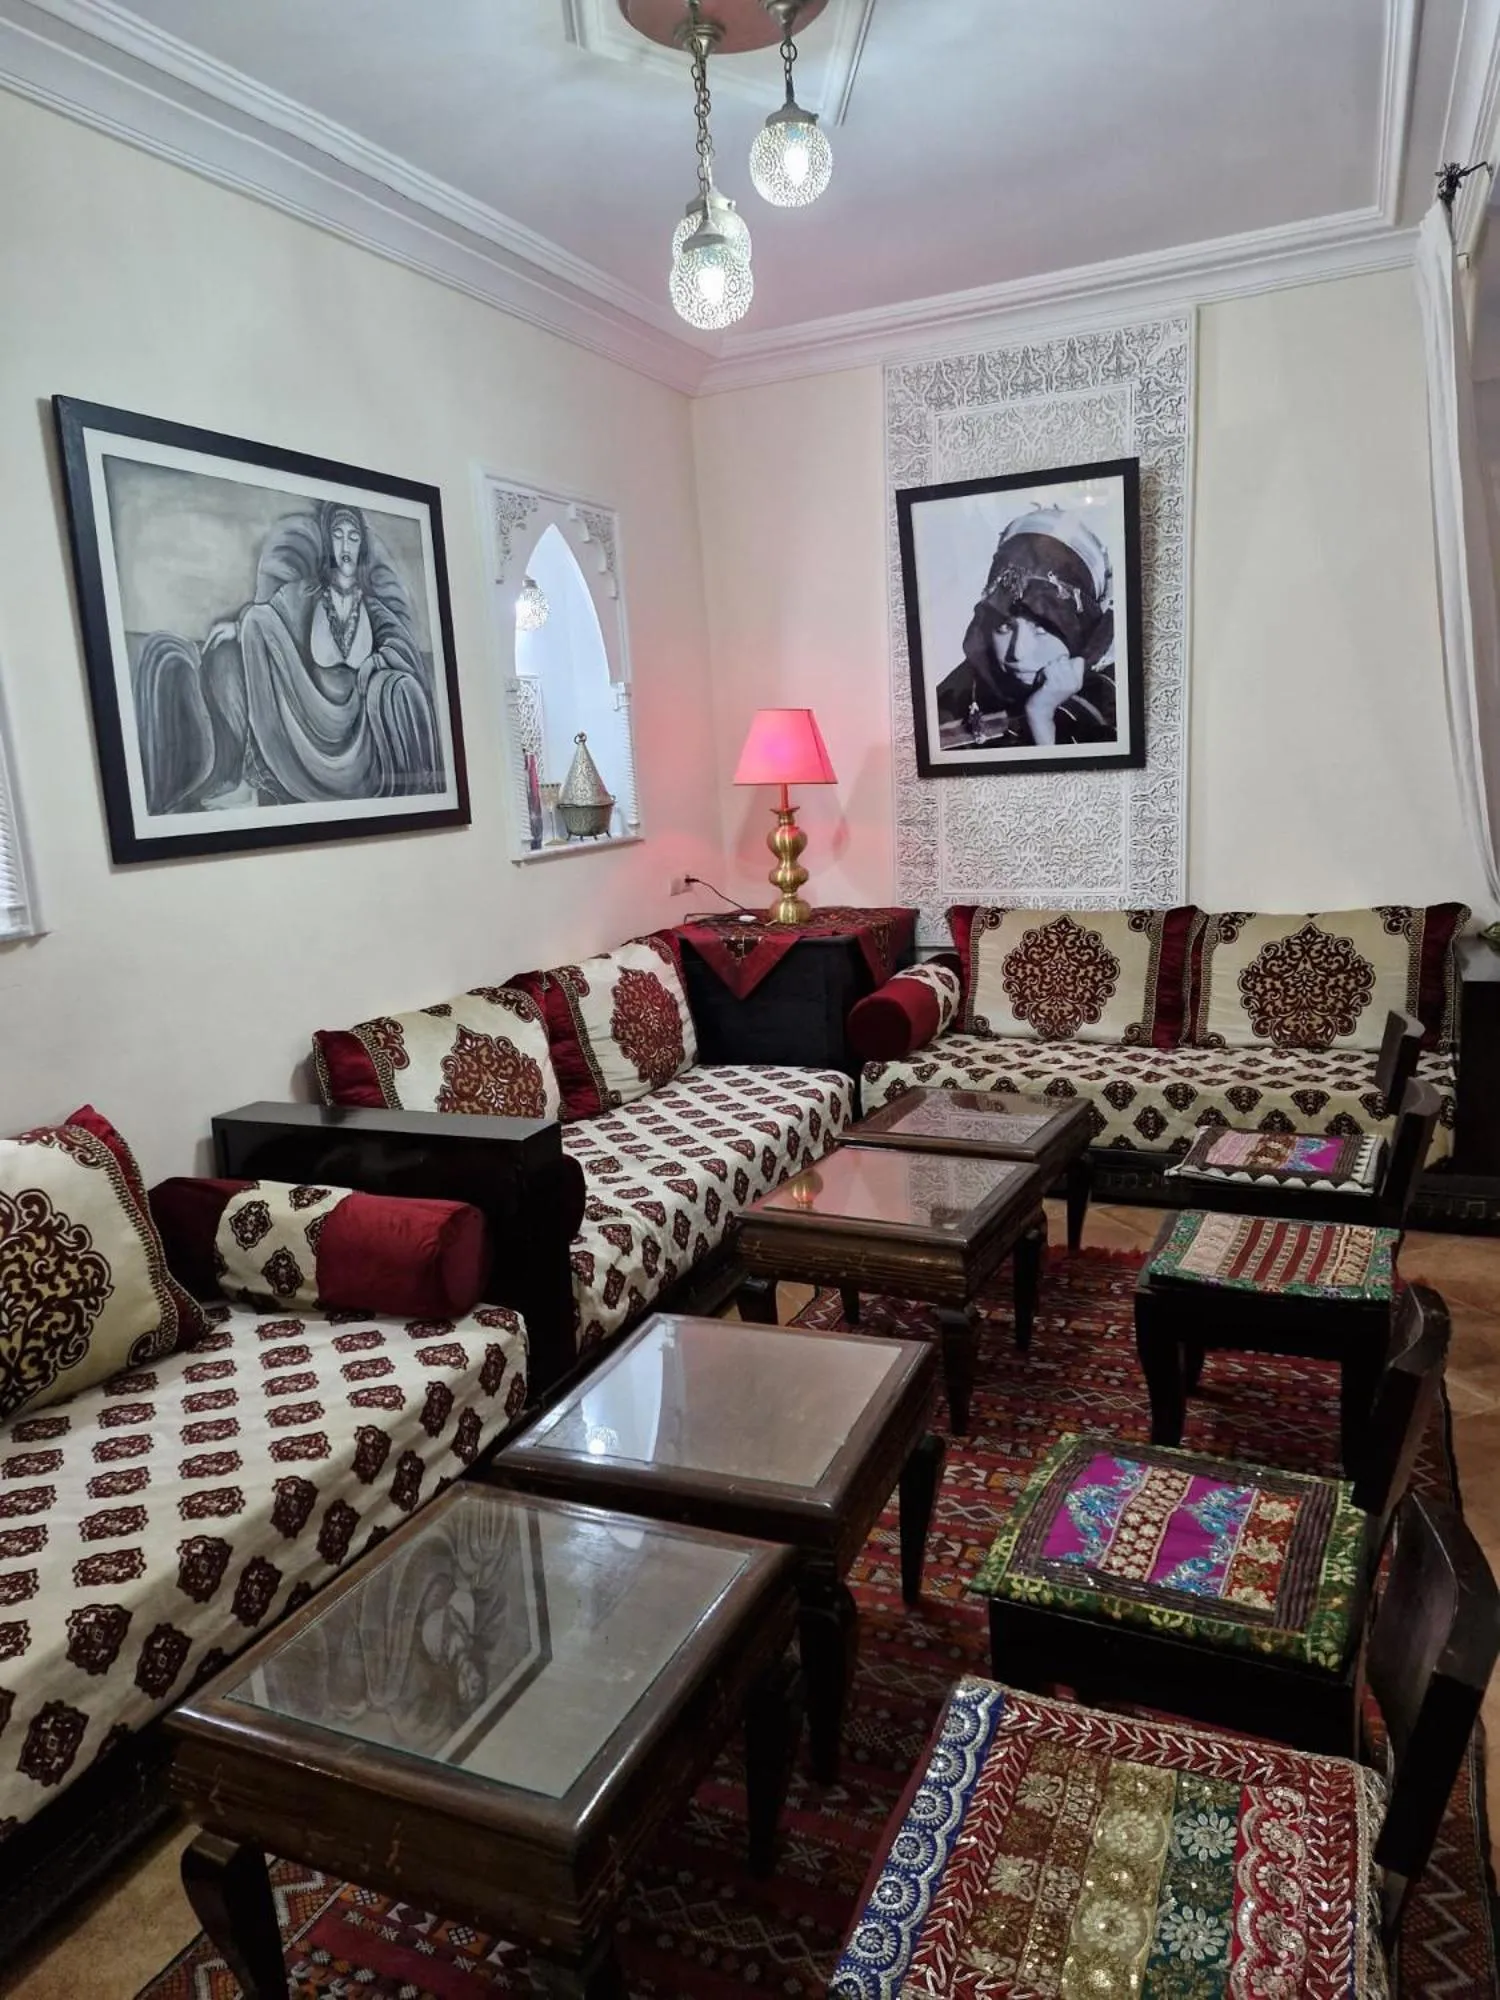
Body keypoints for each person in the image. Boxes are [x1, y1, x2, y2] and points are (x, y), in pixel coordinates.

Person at [135, 499, 442, 812]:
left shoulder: (375, 611)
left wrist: (376, 665)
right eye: (338, 535)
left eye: (353, 537)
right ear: (327, 542)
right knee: (254, 622)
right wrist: (238, 628)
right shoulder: (303, 594)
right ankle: (249, 774)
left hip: (359, 733)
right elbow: (265, 617)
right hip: (307, 726)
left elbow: (401, 649)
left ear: (362, 546)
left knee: (401, 684)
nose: (345, 545)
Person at [934, 504, 1118, 752]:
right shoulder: (951, 702)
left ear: (1080, 631)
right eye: (1004, 627)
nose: (1017, 653)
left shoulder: (1116, 699)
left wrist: (1040, 716)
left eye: (1042, 628)